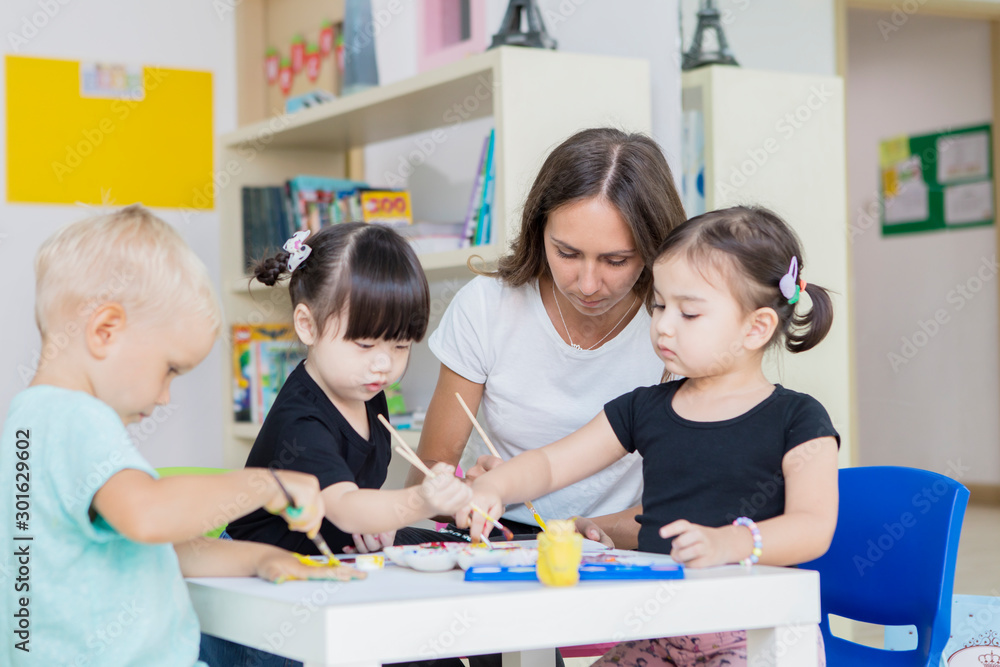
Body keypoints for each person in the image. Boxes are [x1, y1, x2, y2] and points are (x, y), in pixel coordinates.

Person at [461, 206, 839, 667]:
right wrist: (496, 486)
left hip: (760, 635)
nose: (663, 325)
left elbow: (813, 527)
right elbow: (552, 464)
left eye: (689, 312)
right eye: (659, 305)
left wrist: (729, 544)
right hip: (660, 633)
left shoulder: (799, 418)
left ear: (756, 327)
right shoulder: (644, 408)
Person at [0, 206, 358, 667]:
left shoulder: (30, 421)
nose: (166, 396)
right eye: (170, 369)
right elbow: (149, 515)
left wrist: (258, 559)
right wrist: (265, 484)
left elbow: (154, 548)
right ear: (105, 331)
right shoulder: (75, 418)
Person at [406, 127, 687, 549]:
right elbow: (424, 480)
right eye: (567, 253)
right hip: (499, 535)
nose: (588, 284)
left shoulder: (677, 325)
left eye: (615, 260)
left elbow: (684, 506)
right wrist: (468, 492)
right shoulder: (487, 305)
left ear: (654, 248)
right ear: (539, 230)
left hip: (619, 540)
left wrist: (587, 530)